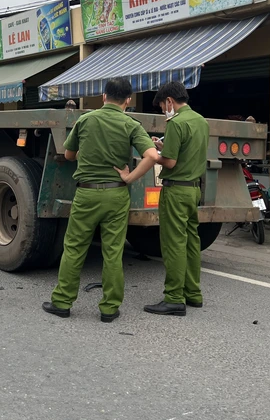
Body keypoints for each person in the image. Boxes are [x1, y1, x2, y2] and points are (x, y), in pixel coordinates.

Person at [43, 78, 159, 323]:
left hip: (86, 193)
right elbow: (151, 156)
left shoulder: (85, 120)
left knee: (74, 248)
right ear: (128, 100)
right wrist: (129, 178)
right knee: (113, 252)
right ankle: (109, 309)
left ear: (104, 97)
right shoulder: (131, 124)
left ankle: (62, 302)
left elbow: (68, 154)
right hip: (116, 195)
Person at [144, 81, 209, 317]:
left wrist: (153, 153)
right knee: (192, 241)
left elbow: (169, 162)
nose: (163, 111)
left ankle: (173, 298)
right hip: (194, 190)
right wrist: (164, 145)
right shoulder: (201, 121)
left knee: (174, 244)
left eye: (162, 106)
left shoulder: (176, 123)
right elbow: (187, 151)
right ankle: (193, 293)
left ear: (169, 101)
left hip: (176, 190)